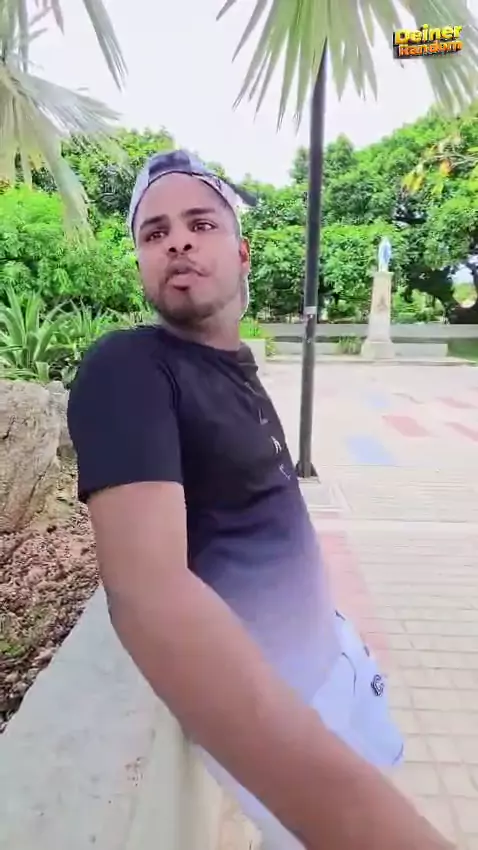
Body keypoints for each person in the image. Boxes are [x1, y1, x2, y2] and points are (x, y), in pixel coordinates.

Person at [67, 150, 453, 850]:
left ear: (241, 252)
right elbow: (148, 595)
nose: (176, 241)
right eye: (154, 233)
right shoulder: (130, 367)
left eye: (200, 224)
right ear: (142, 263)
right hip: (290, 726)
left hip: (341, 666)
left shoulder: (235, 365)